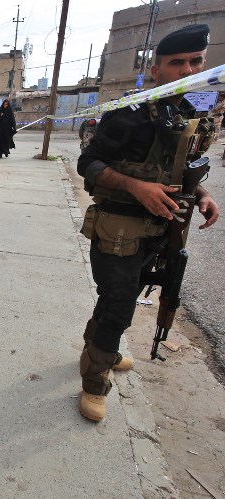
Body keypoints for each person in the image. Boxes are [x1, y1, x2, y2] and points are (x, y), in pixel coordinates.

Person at [76, 24, 219, 422]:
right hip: (117, 228)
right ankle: (94, 381)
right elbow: (88, 165)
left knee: (120, 300)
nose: (187, 70)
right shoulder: (129, 112)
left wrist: (202, 196)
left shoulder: (187, 111)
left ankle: (96, 350)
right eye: (177, 63)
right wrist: (137, 188)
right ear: (155, 70)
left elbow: (180, 170)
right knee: (119, 306)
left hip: (160, 230)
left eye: (196, 62)